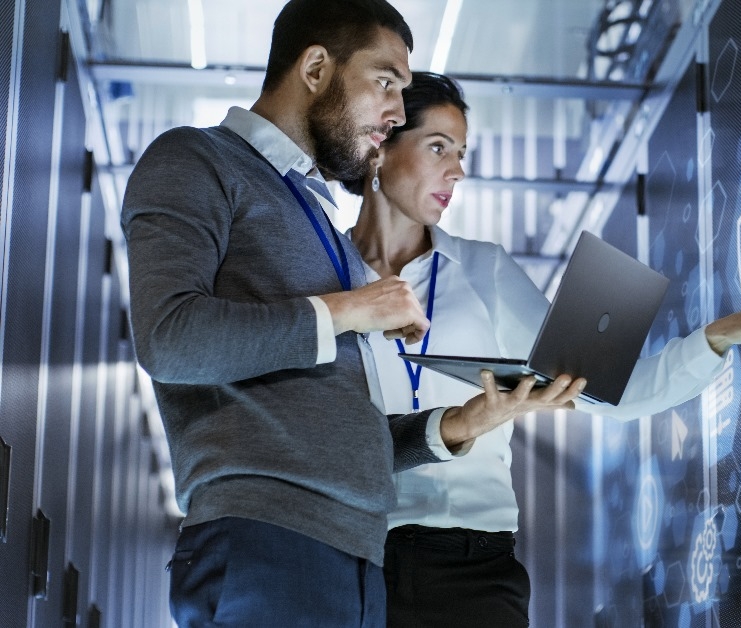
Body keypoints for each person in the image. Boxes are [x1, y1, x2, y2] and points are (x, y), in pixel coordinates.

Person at [120, 3, 583, 626]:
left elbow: (347, 434)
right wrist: (352, 307)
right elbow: (170, 338)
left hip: (358, 558)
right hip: (268, 541)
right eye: (385, 81)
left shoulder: (322, 229)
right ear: (316, 68)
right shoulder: (197, 160)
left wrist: (460, 424)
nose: (395, 111)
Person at [344, 71, 741, 627]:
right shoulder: (325, 282)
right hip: (355, 560)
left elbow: (610, 393)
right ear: (380, 147)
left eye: (461, 152)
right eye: (438, 147)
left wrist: (718, 335)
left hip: (475, 568)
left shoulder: (486, 270)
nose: (457, 170)